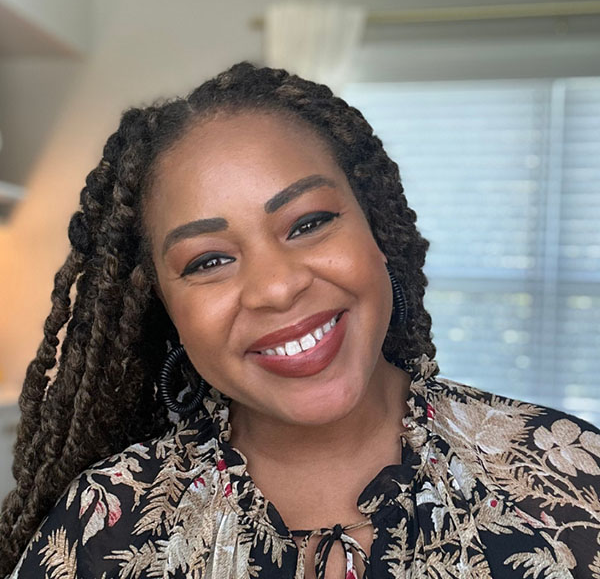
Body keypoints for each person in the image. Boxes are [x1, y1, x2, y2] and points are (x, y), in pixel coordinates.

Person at [1, 63, 599, 579]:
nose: (277, 287)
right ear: (166, 308)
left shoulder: (570, 482)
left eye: (309, 224)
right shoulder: (103, 524)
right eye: (209, 261)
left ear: (376, 231)